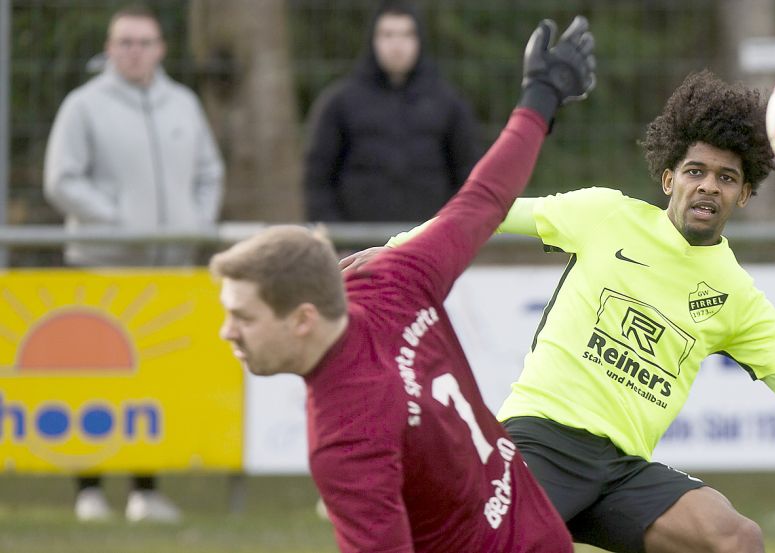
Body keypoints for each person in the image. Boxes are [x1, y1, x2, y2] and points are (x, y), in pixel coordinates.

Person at [380, 70, 775, 553]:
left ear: (744, 195)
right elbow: (484, 213)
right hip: (540, 440)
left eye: (727, 178)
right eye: (695, 171)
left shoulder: (740, 299)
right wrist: (392, 254)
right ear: (669, 179)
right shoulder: (606, 215)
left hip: (622, 472)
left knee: (736, 540)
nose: (708, 185)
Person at [211, 16, 595, 552]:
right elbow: (483, 198)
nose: (227, 332)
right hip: (537, 531)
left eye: (244, 316)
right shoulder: (396, 278)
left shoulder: (344, 437)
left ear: (302, 319)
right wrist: (539, 97)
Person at [43, 4, 224, 522]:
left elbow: (209, 170)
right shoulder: (83, 106)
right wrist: (116, 220)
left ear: (161, 49)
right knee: (96, 377)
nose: (134, 51)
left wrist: (197, 220)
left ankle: (147, 491)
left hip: (168, 267)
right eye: (124, 42)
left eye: (144, 42)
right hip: (102, 265)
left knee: (155, 378)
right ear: (109, 46)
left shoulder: (183, 105)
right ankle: (90, 491)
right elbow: (63, 179)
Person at [303, 0, 482, 223]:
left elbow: (468, 175)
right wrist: (338, 240)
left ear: (420, 40)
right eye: (387, 34)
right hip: (358, 248)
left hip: (428, 244)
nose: (397, 44)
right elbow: (318, 179)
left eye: (406, 34)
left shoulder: (449, 104)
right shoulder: (340, 103)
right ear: (373, 40)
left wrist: (452, 234)